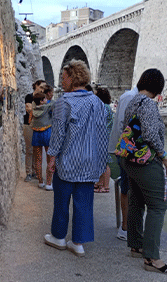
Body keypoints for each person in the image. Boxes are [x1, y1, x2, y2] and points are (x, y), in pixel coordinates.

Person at [44, 60, 108, 257]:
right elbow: (102, 134)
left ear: (72, 78)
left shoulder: (64, 102)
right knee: (84, 203)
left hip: (68, 160)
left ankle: (59, 237)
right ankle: (78, 242)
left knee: (62, 200)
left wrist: (52, 158)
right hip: (89, 162)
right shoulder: (97, 102)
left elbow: (58, 134)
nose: (62, 83)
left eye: (64, 78)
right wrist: (102, 163)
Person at [120, 68, 167, 273]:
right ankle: (152, 258)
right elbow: (151, 135)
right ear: (158, 86)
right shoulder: (150, 105)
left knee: (137, 200)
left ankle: (136, 245)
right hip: (145, 161)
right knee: (158, 206)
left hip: (129, 160)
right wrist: (165, 157)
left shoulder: (132, 101)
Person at [108, 85, 138, 240]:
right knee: (126, 187)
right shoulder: (129, 97)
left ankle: (130, 226)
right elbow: (122, 127)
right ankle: (125, 227)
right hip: (127, 152)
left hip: (129, 151)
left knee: (130, 187)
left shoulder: (131, 97)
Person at [30, 84, 54, 190]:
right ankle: (49, 183)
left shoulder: (34, 105)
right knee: (49, 159)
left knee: (38, 159)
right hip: (47, 132)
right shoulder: (49, 104)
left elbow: (29, 119)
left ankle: (40, 181)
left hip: (36, 133)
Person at [23, 79, 46, 182]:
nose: (42, 90)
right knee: (29, 150)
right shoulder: (29, 97)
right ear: (36, 86)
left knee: (37, 149)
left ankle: (35, 171)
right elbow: (29, 109)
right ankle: (28, 172)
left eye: (44, 88)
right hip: (29, 125)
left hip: (39, 125)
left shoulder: (43, 98)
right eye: (41, 87)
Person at [94, 87, 113, 193]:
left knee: (104, 162)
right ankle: (102, 184)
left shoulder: (103, 107)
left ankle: (104, 186)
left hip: (103, 137)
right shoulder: (107, 107)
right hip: (106, 137)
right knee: (103, 162)